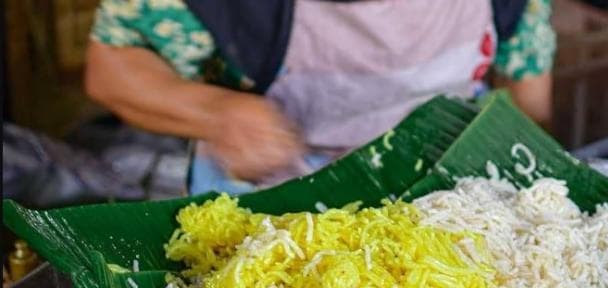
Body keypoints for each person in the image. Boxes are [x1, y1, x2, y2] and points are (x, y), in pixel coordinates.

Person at [85, 0, 555, 195]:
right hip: (273, 203)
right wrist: (216, 112)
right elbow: (113, 67)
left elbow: (529, 86)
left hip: (448, 195)